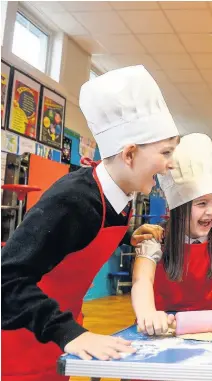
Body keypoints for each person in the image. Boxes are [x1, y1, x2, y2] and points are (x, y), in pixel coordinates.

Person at [1, 65, 180, 380]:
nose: (171, 163)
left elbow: (85, 235)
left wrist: (128, 237)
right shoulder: (72, 200)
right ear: (129, 154)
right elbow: (7, 280)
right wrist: (69, 332)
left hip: (59, 336)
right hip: (19, 341)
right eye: (165, 152)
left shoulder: (120, 193)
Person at [132, 133, 212, 336]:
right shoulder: (156, 238)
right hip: (162, 324)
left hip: (205, 326)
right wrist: (147, 313)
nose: (211, 212)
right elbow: (142, 280)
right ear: (180, 208)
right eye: (201, 203)